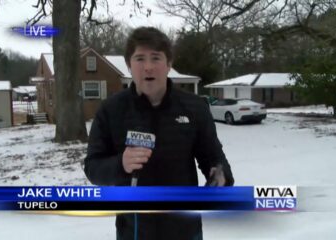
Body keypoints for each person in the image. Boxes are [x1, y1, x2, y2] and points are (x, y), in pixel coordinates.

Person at [84, 27, 234, 240]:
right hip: (134, 231)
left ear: (169, 64)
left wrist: (221, 177)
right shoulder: (111, 110)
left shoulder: (194, 107)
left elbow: (214, 158)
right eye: (140, 59)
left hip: (185, 230)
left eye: (156, 58)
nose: (148, 67)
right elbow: (92, 167)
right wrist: (121, 164)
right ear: (128, 65)